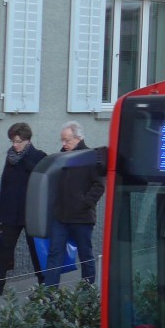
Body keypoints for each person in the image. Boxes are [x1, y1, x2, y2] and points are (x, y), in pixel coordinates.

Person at [0, 123, 47, 296]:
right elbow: (5, 184)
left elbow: (42, 185)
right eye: (12, 141)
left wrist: (25, 160)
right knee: (5, 248)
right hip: (10, 211)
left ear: (28, 140)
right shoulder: (10, 157)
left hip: (30, 213)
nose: (15, 145)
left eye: (18, 141)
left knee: (36, 251)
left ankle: (44, 285)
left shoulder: (39, 156)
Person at [44, 121, 105, 287]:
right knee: (54, 253)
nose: (64, 144)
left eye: (67, 140)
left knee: (85, 255)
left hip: (81, 216)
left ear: (78, 138)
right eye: (62, 140)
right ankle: (48, 293)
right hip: (61, 215)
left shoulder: (90, 157)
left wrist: (84, 203)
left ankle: (87, 291)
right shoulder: (61, 156)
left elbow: (99, 185)